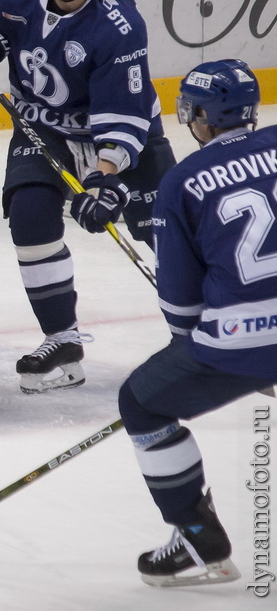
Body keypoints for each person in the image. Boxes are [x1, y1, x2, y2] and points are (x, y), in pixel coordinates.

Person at [0, 0, 176, 394]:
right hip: (42, 128)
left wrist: (105, 177)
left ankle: (212, 334)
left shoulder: (119, 25)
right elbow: (2, 20)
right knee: (29, 219)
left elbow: (124, 112)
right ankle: (63, 342)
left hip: (117, 131)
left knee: (165, 234)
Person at [118, 59, 275, 587]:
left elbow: (181, 301)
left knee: (141, 403)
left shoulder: (182, 180)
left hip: (240, 342)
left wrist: (204, 357)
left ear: (204, 115)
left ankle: (195, 536)